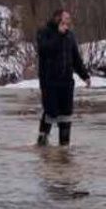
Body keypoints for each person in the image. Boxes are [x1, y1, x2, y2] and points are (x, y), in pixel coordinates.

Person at [35, 9, 91, 146]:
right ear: (57, 19)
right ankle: (42, 140)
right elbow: (44, 50)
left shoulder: (70, 36)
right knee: (51, 111)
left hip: (66, 82)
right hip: (50, 81)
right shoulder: (45, 32)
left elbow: (76, 59)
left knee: (66, 114)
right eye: (66, 18)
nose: (69, 21)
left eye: (69, 18)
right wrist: (58, 35)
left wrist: (85, 76)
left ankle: (64, 148)